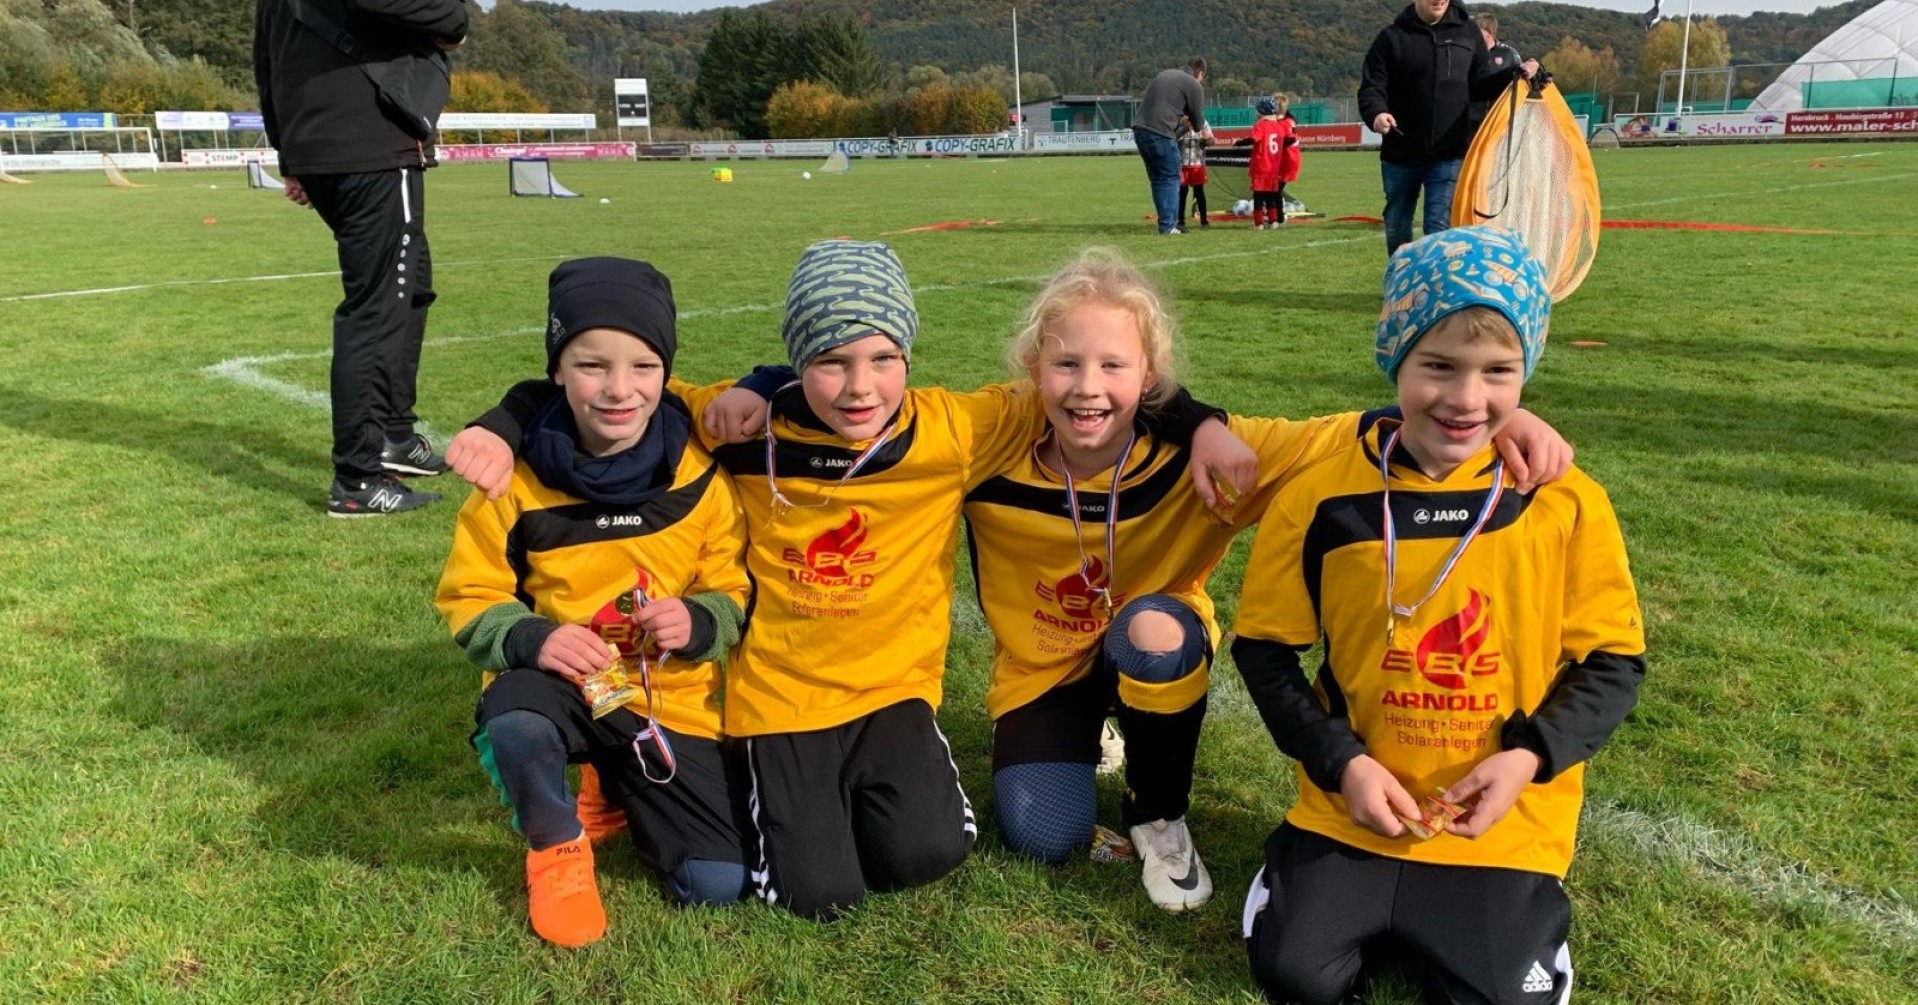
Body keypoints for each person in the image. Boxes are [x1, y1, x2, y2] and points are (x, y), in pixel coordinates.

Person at [446, 242, 1253, 918]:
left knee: (924, 853)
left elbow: (1096, 386)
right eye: (831, 363)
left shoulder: (956, 429)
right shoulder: (740, 425)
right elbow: (610, 388)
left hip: (890, 689)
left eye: (883, 359)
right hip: (780, 699)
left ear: (908, 356)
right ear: (799, 363)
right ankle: (621, 773)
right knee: (818, 894)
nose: (860, 386)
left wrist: (1204, 423)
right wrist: (505, 419)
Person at [963, 248, 1572, 914]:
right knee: (1044, 837)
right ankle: (1091, 727)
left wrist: (1499, 415)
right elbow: (895, 433)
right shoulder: (991, 450)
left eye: (1113, 366)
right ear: (1032, 370)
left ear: (1150, 377)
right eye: (1066, 364)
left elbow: (1353, 432)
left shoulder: (1215, 460)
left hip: (1148, 636)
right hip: (1040, 670)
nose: (1088, 387)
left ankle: (1158, 814)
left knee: (1155, 632)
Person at [1232, 226, 1648, 1004]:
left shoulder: (1564, 502)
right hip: (1352, 806)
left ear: (1528, 371)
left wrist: (1527, 758)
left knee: (1500, 994)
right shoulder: (1318, 497)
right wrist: (1342, 762)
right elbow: (1264, 649)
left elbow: (1614, 662)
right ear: (1395, 360)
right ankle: (1298, 864)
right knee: (1294, 974)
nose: (1466, 399)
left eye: (1499, 371)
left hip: (1496, 819)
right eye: (1438, 366)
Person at [435, 257, 755, 948]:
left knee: (715, 882)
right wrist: (533, 638)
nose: (619, 389)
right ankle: (555, 845)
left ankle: (611, 784)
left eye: (643, 366)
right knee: (518, 716)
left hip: (664, 696)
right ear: (555, 369)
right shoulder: (510, 479)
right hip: (567, 684)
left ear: (667, 371)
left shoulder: (699, 468)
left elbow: (732, 585)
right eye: (590, 364)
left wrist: (699, 619)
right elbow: (469, 594)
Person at [253, 0, 468, 516]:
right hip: (369, 145)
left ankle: (394, 434)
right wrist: (454, 21)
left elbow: (266, 59)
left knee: (410, 286)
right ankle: (358, 479)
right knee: (377, 309)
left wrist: (291, 154)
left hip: (323, 144)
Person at [1358, 0, 1538, 256]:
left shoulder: (1468, 33)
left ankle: (1434, 290)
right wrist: (1376, 113)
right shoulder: (1391, 38)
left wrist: (1515, 74)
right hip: (1400, 151)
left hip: (1449, 152)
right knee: (1397, 222)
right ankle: (1401, 283)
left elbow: (1481, 85)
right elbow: (1372, 87)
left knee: (1438, 226)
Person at [1134, 58, 1214, 235]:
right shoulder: (1193, 84)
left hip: (1140, 130)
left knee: (1158, 179)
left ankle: (1165, 223)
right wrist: (1196, 127)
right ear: (1200, 73)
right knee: (1170, 177)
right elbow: (1198, 121)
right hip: (1160, 132)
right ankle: (1169, 226)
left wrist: (1183, 125)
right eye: (1202, 77)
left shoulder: (1165, 75)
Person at [1245, 95, 1301, 229]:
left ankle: (1276, 218)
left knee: (1272, 193)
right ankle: (1275, 219)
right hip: (1279, 161)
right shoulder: (1286, 121)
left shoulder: (1281, 124)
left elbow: (1288, 139)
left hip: (1282, 161)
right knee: (1273, 192)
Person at [1177, 117, 1211, 230]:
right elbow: (1172, 137)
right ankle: (1180, 221)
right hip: (1181, 164)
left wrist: (1207, 139)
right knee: (1181, 193)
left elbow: (1211, 141)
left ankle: (1204, 221)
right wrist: (1184, 128)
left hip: (1197, 163)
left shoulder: (1203, 123)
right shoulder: (1179, 122)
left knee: (1199, 192)